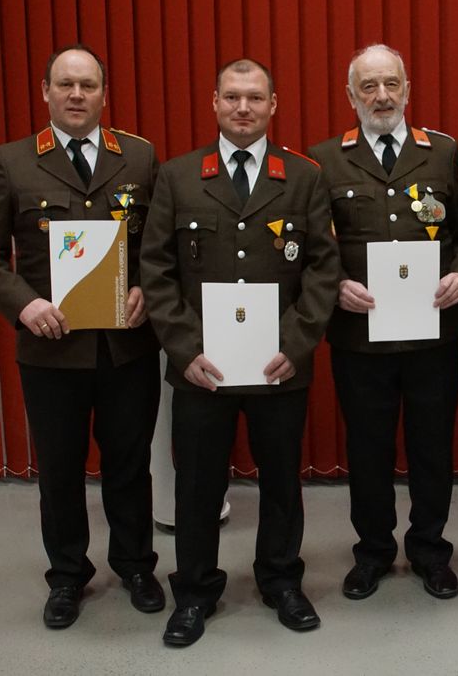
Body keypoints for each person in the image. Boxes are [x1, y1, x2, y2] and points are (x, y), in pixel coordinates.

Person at [139, 58, 340, 646]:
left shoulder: (303, 177)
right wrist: (184, 350)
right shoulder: (178, 177)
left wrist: (296, 344)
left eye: (255, 98)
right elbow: (157, 271)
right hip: (203, 368)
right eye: (232, 97)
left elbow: (323, 270)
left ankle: (282, 581)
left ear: (274, 104)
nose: (244, 108)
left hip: (280, 367)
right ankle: (195, 592)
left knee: (282, 480)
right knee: (198, 484)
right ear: (215, 103)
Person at [0, 44, 163, 629]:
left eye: (89, 85)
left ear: (105, 94)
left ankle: (134, 565)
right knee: (60, 468)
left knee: (130, 463)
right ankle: (68, 576)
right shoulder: (13, 161)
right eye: (66, 85)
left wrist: (148, 287)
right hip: (52, 348)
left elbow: (160, 243)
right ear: (45, 92)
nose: (77, 95)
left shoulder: (140, 158)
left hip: (127, 345)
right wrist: (24, 306)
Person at [307, 45, 458, 601]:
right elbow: (314, 248)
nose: (381, 96)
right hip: (361, 337)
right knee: (368, 450)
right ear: (350, 95)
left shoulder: (442, 152)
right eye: (368, 86)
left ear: (408, 89)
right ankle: (374, 552)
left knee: (432, 448)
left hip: (433, 333)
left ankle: (430, 550)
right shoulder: (325, 159)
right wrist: (333, 287)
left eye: (391, 84)